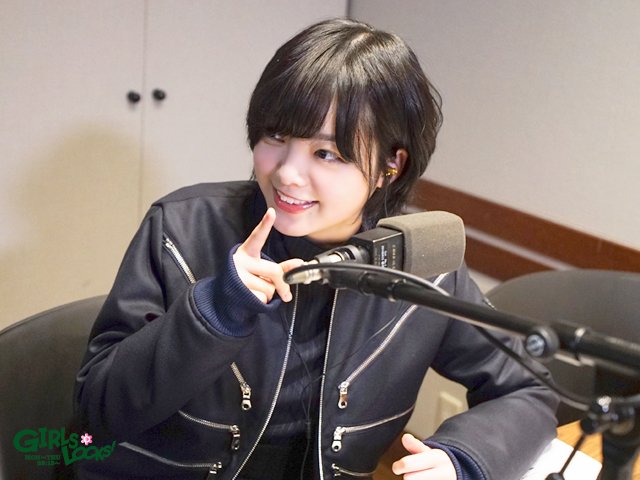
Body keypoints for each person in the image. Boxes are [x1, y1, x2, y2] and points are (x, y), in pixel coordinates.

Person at [74, 18, 558, 480]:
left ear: (391, 165)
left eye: (326, 153)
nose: (287, 173)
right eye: (276, 136)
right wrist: (214, 311)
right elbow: (97, 412)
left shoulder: (417, 263)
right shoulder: (182, 228)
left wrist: (464, 459)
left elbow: (528, 390)